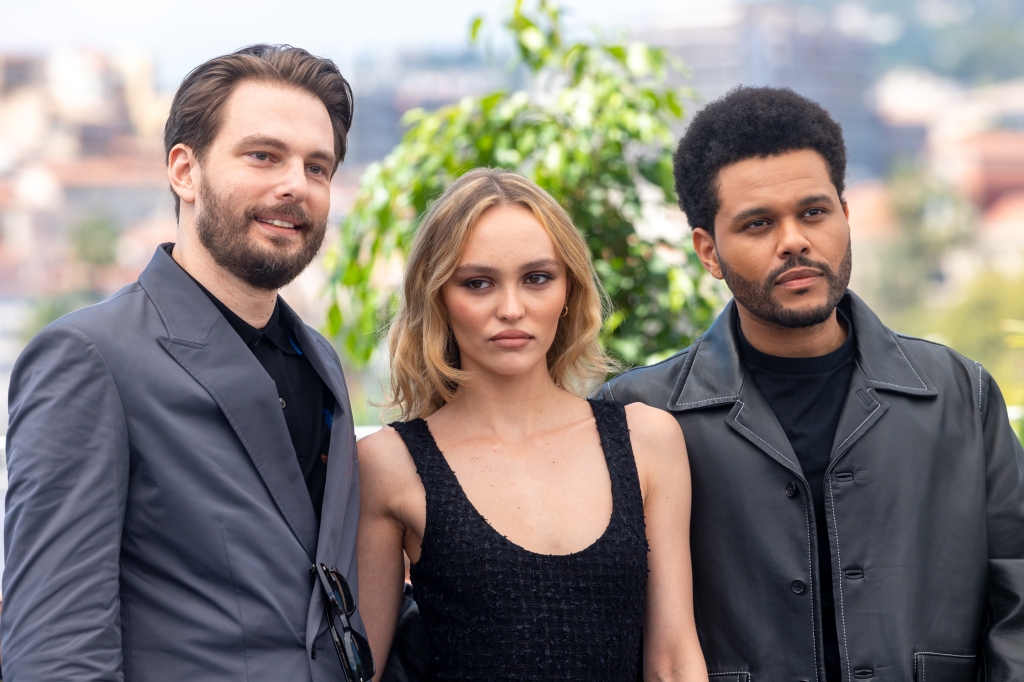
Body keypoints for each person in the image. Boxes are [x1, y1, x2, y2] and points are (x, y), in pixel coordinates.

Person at [599, 85, 1024, 682]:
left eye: (814, 212)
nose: (794, 239)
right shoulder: (639, 414)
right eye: (757, 223)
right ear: (708, 251)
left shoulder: (960, 393)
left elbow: (1019, 593)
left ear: (846, 218)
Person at [3, 44, 367, 681]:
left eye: (318, 167)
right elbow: (55, 652)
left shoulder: (321, 362)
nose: (294, 185)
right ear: (184, 171)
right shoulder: (90, 358)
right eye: (263, 155)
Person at [355, 168, 708, 681]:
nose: (511, 309)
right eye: (478, 283)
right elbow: (360, 669)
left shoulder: (646, 441)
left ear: (569, 290)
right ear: (438, 298)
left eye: (537, 278)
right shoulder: (388, 465)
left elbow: (674, 661)